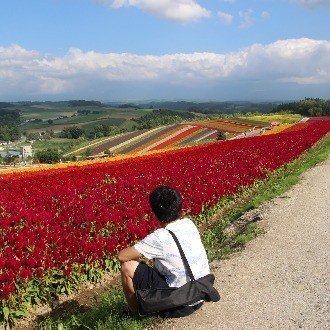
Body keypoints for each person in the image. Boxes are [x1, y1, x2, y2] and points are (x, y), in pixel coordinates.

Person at [118, 185, 211, 317]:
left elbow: (122, 256)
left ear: (154, 215)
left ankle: (136, 313)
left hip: (179, 304)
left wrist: (142, 254)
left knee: (128, 267)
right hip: (200, 294)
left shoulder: (159, 237)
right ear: (180, 210)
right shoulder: (189, 223)